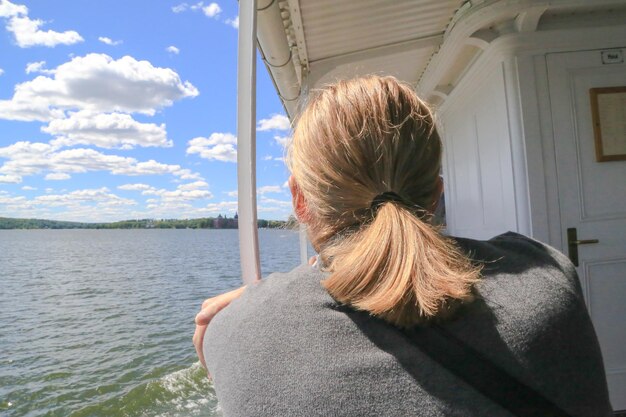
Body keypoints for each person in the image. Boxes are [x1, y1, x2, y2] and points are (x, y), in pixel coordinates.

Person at [194, 76, 612, 416]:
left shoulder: (233, 331)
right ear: (436, 194)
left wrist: (257, 304)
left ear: (299, 200)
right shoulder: (546, 274)